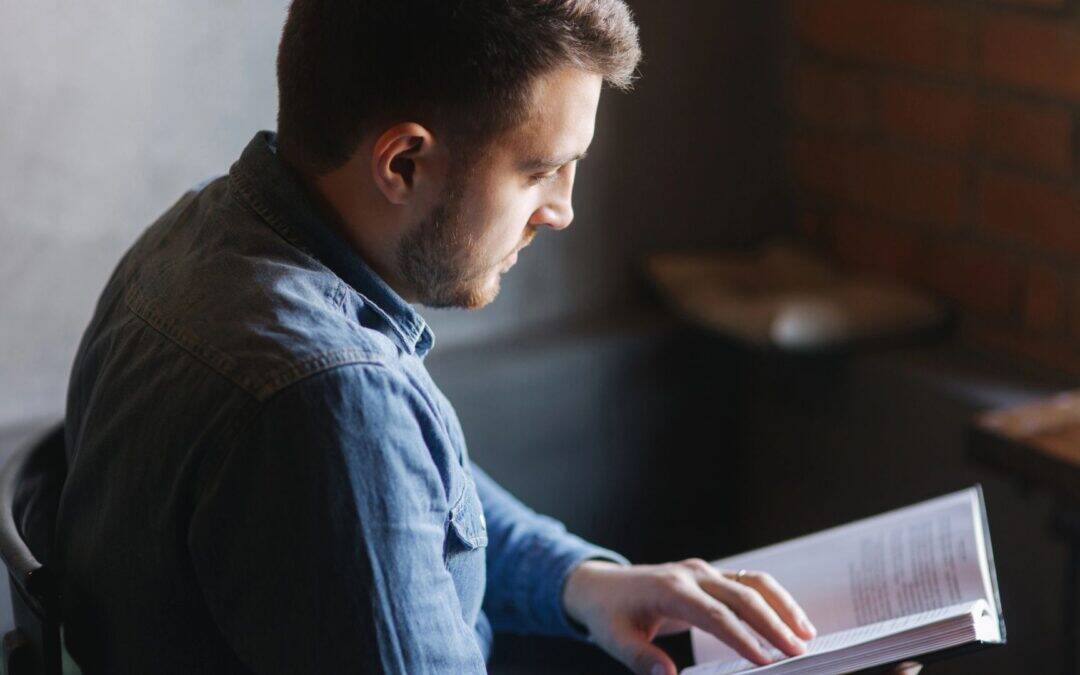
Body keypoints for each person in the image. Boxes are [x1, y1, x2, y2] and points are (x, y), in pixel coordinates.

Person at [54, 1, 846, 673]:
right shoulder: (329, 397)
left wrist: (579, 578)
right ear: (401, 163)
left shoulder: (196, 234)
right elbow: (366, 465)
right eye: (539, 171)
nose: (561, 210)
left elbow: (406, 509)